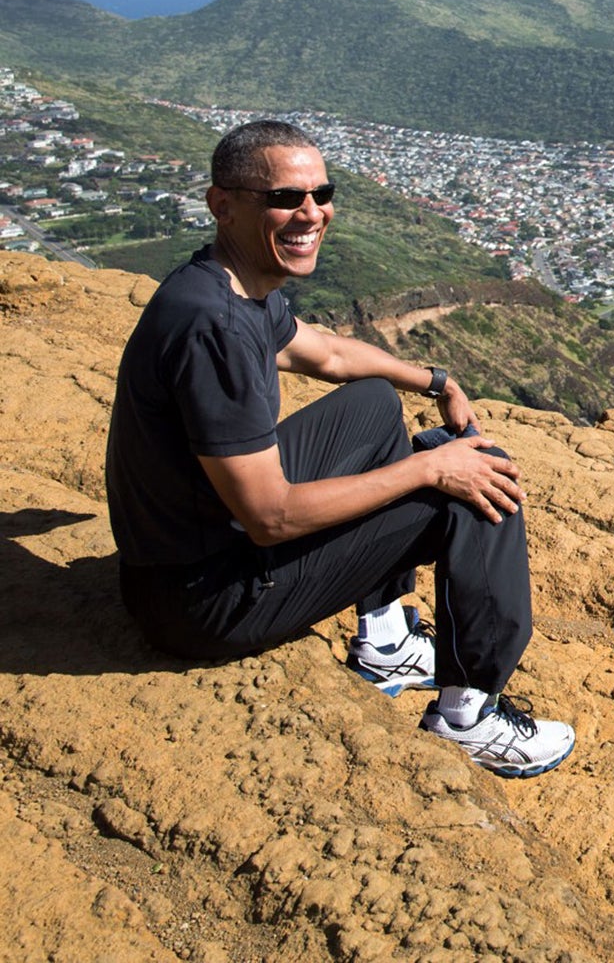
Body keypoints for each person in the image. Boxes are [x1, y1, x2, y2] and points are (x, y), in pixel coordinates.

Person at [104, 119, 573, 778]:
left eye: (322, 193)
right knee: (475, 487)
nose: (311, 212)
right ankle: (467, 717)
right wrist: (429, 467)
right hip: (202, 603)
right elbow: (271, 516)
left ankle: (383, 640)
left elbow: (324, 353)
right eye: (284, 197)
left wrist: (436, 381)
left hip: (188, 555)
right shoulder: (217, 329)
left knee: (375, 401)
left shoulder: (224, 283)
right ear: (223, 204)